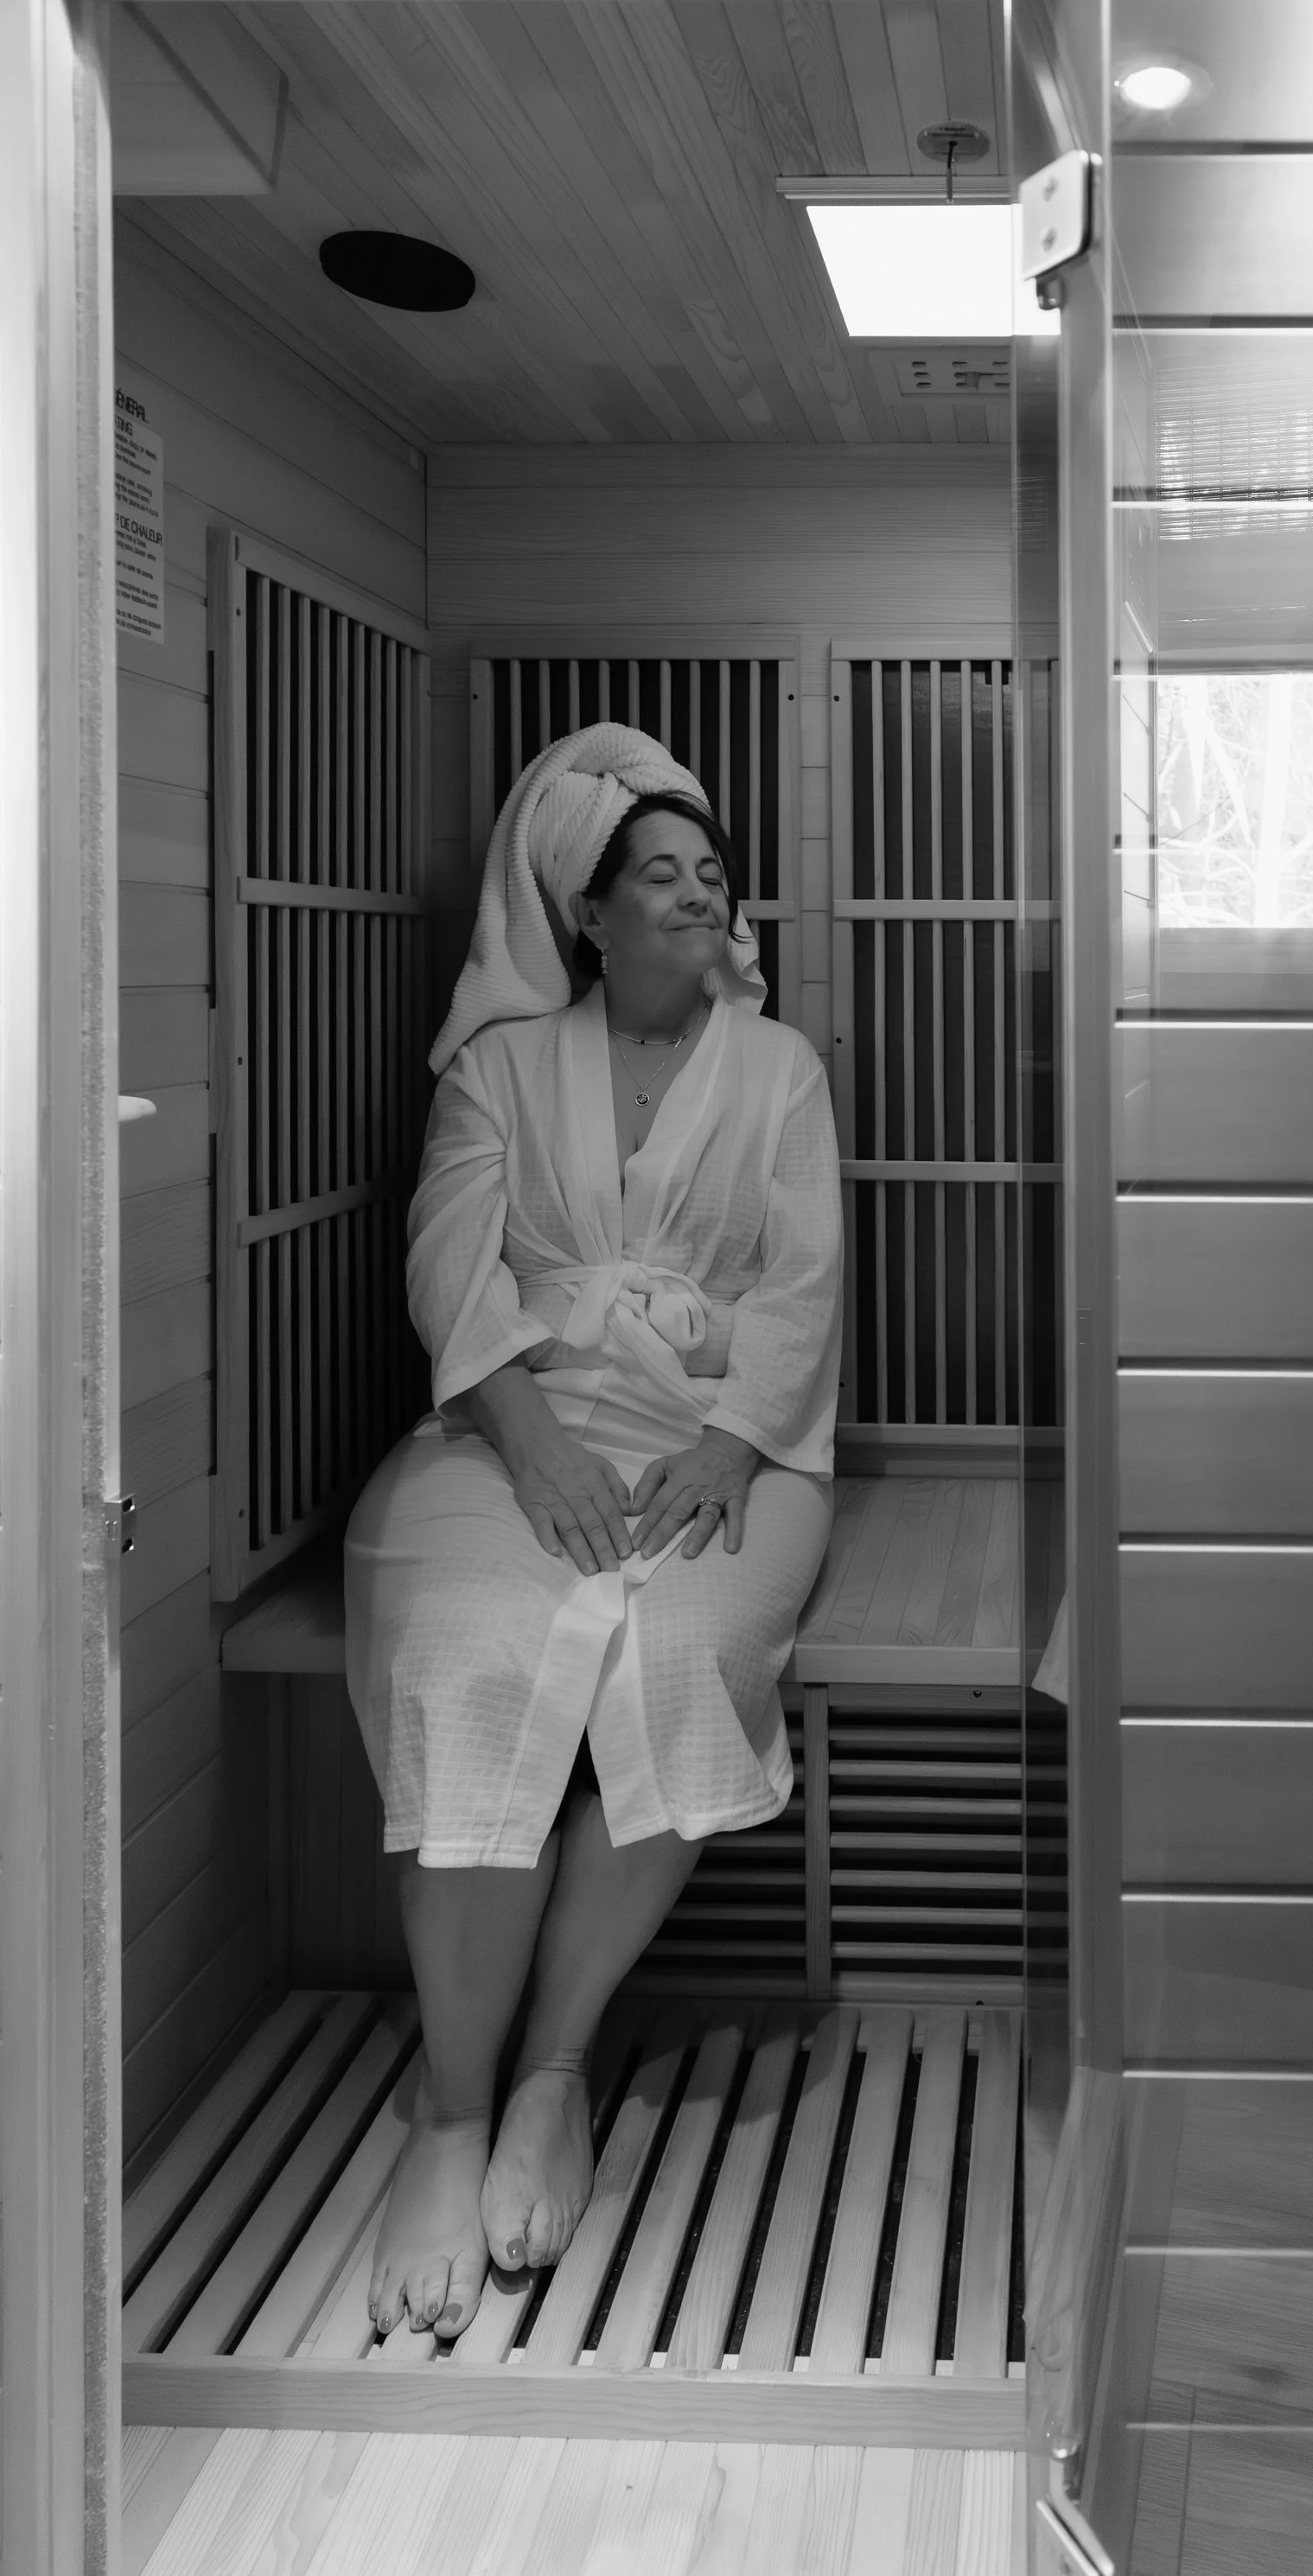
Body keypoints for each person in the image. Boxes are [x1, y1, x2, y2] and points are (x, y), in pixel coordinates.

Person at [343, 719, 843, 2342]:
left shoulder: (781, 1071)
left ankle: (553, 2067)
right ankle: (451, 2108)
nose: (700, 895)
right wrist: (533, 1437)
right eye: (662, 874)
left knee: (682, 1642)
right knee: (470, 1646)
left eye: (713, 873)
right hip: (512, 1416)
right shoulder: (498, 1068)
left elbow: (803, 1287)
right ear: (587, 913)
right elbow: (447, 1264)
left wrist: (734, 1443)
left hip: (726, 1428)